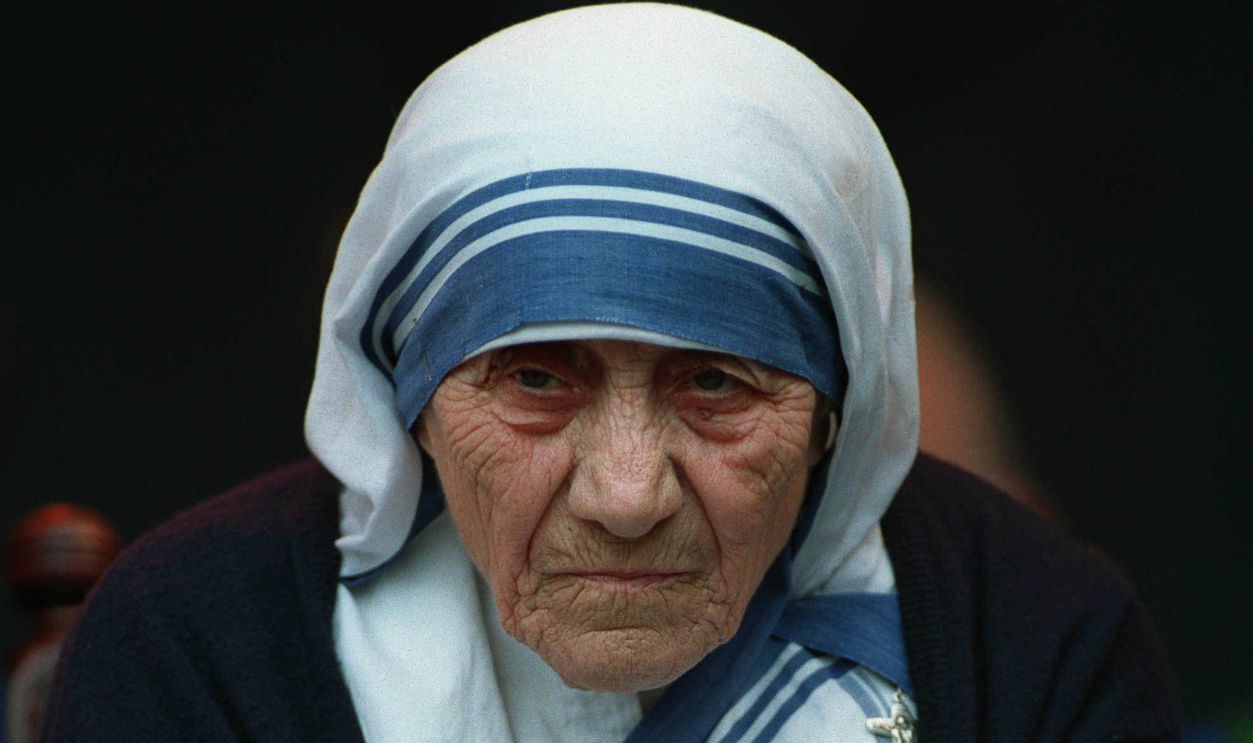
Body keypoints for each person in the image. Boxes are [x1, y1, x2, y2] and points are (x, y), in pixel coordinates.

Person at [40, 4, 1180, 741]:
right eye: (536, 380)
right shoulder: (197, 637)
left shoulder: (1034, 635)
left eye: (715, 384)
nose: (626, 495)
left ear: (838, 407)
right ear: (411, 396)